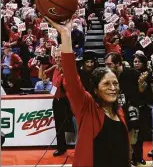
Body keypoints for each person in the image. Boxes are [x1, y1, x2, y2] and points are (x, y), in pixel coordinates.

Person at [45, 17, 131, 167]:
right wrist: (66, 35)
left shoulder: (118, 111)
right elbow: (72, 80)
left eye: (115, 83)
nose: (113, 87)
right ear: (96, 90)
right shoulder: (87, 108)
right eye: (106, 84)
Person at [44, 48, 74, 156]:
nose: (57, 59)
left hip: (67, 100)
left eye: (59, 57)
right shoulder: (55, 68)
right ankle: (61, 147)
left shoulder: (68, 68)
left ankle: (79, 145)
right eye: (56, 57)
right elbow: (43, 76)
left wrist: (63, 74)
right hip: (56, 100)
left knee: (72, 123)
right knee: (58, 125)